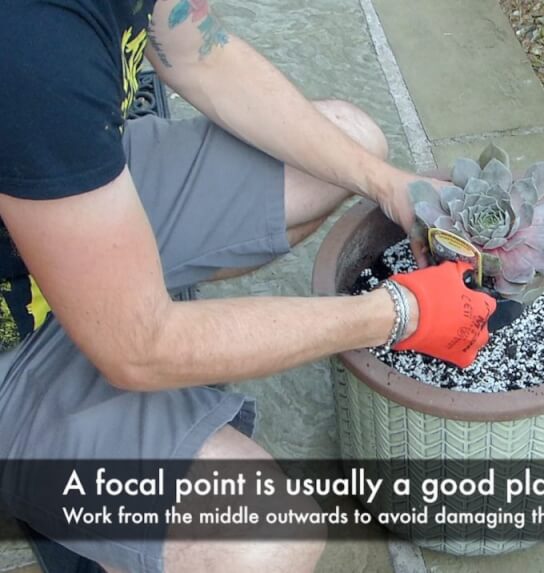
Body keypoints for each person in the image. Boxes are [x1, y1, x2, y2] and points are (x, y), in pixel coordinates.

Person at [0, 0, 496, 571]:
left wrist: (383, 183)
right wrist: (399, 312)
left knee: (347, 140)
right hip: (14, 343)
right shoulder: (32, 47)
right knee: (262, 543)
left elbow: (197, 54)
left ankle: (120, 305)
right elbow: (139, 349)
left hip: (66, 205)